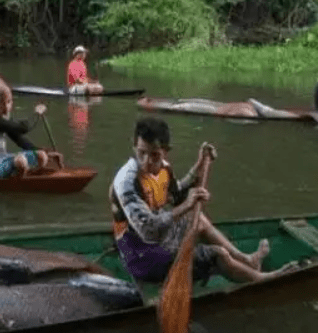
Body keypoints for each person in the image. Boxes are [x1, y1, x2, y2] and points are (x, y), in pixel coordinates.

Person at [108, 117, 296, 285]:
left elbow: (175, 193)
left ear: (165, 152)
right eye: (141, 153)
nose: (147, 161)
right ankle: (261, 280)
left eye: (154, 155)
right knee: (217, 254)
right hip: (141, 256)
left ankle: (247, 261)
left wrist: (198, 167)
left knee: (198, 219)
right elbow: (148, 231)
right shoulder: (128, 182)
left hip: (157, 240)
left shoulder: (163, 168)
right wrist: (186, 206)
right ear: (134, 148)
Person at [0, 75, 62, 178]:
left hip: (2, 159)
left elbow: (19, 139)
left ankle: (30, 176)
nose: (6, 107)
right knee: (20, 162)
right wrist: (36, 114)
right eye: (2, 103)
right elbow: (22, 128)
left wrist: (47, 152)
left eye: (8, 102)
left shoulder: (2, 118)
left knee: (41, 156)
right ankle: (18, 179)